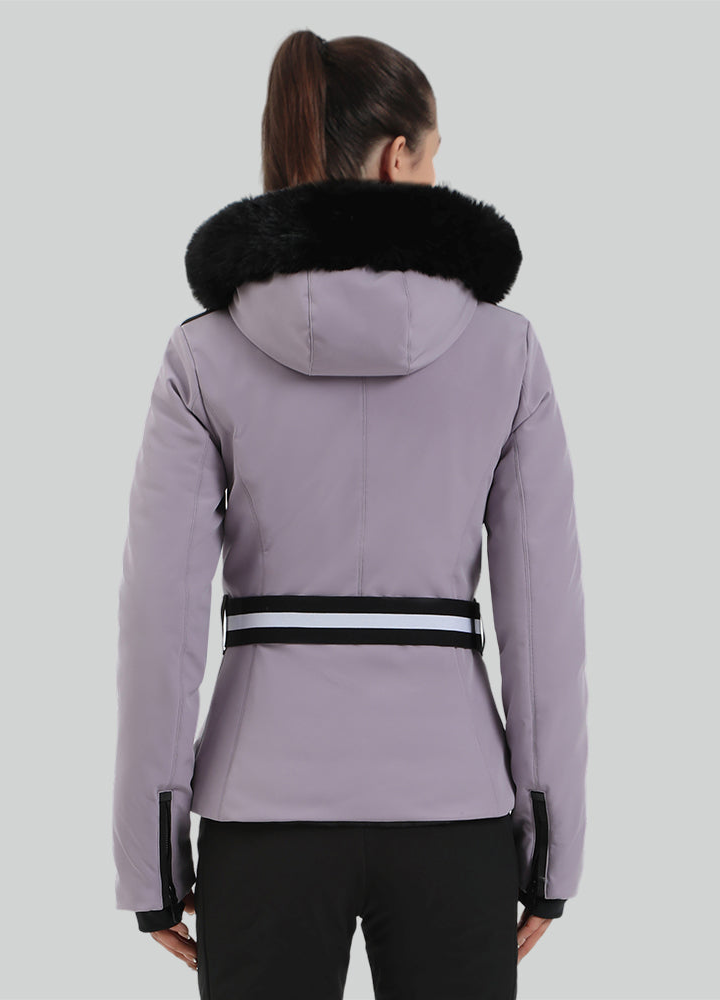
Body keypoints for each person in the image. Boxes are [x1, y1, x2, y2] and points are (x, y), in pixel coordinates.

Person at [112, 28, 588, 1000]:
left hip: (263, 808)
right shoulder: (506, 351)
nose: (439, 172)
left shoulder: (204, 354)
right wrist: (553, 843)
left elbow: (159, 622)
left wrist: (150, 856)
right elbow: (545, 621)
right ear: (397, 155)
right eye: (436, 152)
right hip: (453, 807)